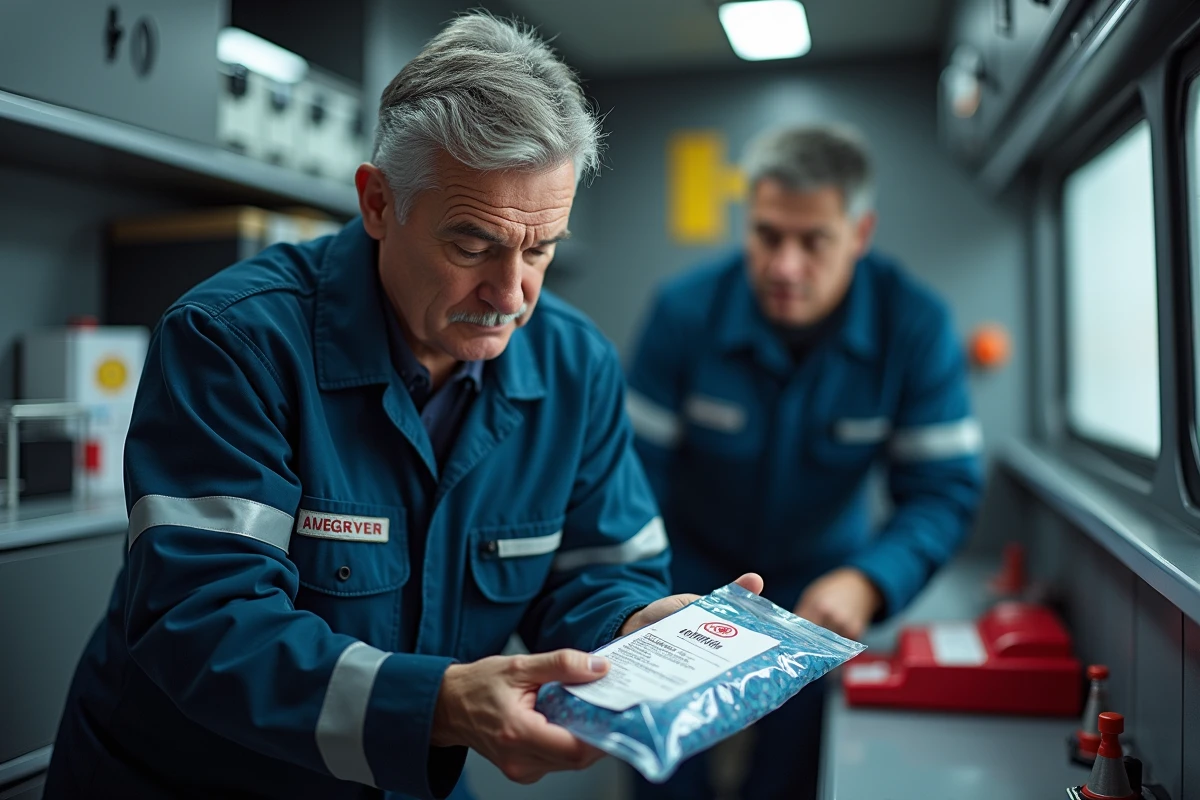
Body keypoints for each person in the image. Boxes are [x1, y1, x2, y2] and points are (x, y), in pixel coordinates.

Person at [44, 14, 762, 800]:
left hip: (410, 771)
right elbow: (204, 620)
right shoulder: (235, 342)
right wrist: (439, 707)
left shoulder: (574, 365)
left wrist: (636, 633)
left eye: (540, 248)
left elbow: (596, 575)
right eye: (473, 244)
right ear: (378, 202)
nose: (512, 293)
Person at [626, 126, 984, 799]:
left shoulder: (914, 326)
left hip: (824, 586)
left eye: (813, 241)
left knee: (791, 774)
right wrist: (641, 593)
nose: (784, 265)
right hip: (686, 571)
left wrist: (871, 582)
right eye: (766, 235)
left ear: (860, 232)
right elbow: (627, 478)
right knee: (662, 765)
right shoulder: (683, 313)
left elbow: (942, 491)